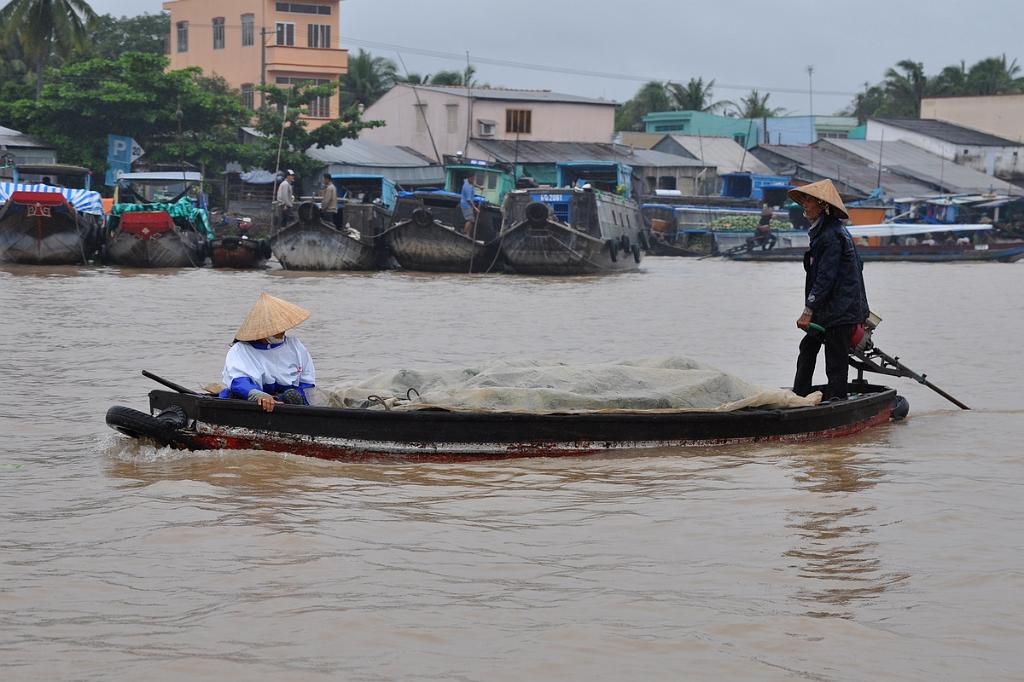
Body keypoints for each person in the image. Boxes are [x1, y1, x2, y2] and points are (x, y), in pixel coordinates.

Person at [791, 179, 868, 402]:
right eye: (804, 200)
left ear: (822, 205)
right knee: (808, 347)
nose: (805, 204)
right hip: (829, 308)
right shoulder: (824, 232)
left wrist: (808, 309)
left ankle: (837, 401)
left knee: (835, 359)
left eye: (809, 201)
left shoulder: (831, 235)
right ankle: (799, 394)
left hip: (839, 310)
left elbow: (826, 276)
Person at [220, 293, 315, 413]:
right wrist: (259, 395)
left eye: (283, 330)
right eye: (277, 331)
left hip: (286, 401)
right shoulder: (240, 350)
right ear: (263, 333)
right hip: (251, 400)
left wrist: (285, 399)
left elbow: (307, 385)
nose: (282, 334)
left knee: (293, 396)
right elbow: (239, 383)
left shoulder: (296, 347)